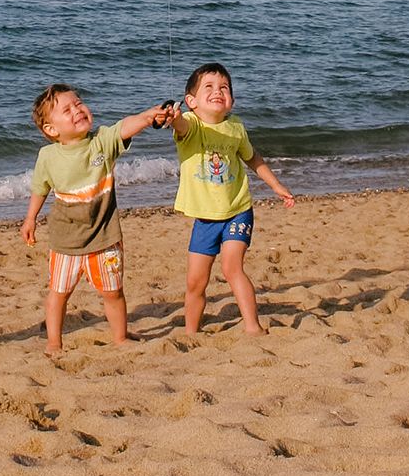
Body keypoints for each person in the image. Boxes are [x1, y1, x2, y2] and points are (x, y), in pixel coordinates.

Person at [20, 83, 170, 354]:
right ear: (51, 130)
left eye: (78, 104)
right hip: (66, 240)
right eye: (67, 110)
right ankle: (54, 342)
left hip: (105, 236)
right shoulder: (48, 156)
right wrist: (30, 218)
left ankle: (120, 337)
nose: (77, 110)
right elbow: (40, 188)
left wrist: (149, 116)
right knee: (59, 293)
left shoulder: (101, 141)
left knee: (113, 292)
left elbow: (125, 126)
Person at [170, 62, 294, 335]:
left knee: (232, 268)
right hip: (205, 218)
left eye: (224, 88)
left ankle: (253, 327)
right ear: (191, 101)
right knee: (195, 282)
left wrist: (276, 185)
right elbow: (180, 126)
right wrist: (173, 116)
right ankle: (192, 331)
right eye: (209, 87)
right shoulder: (191, 124)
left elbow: (252, 158)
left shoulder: (236, 127)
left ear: (232, 101)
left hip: (238, 209)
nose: (218, 92)